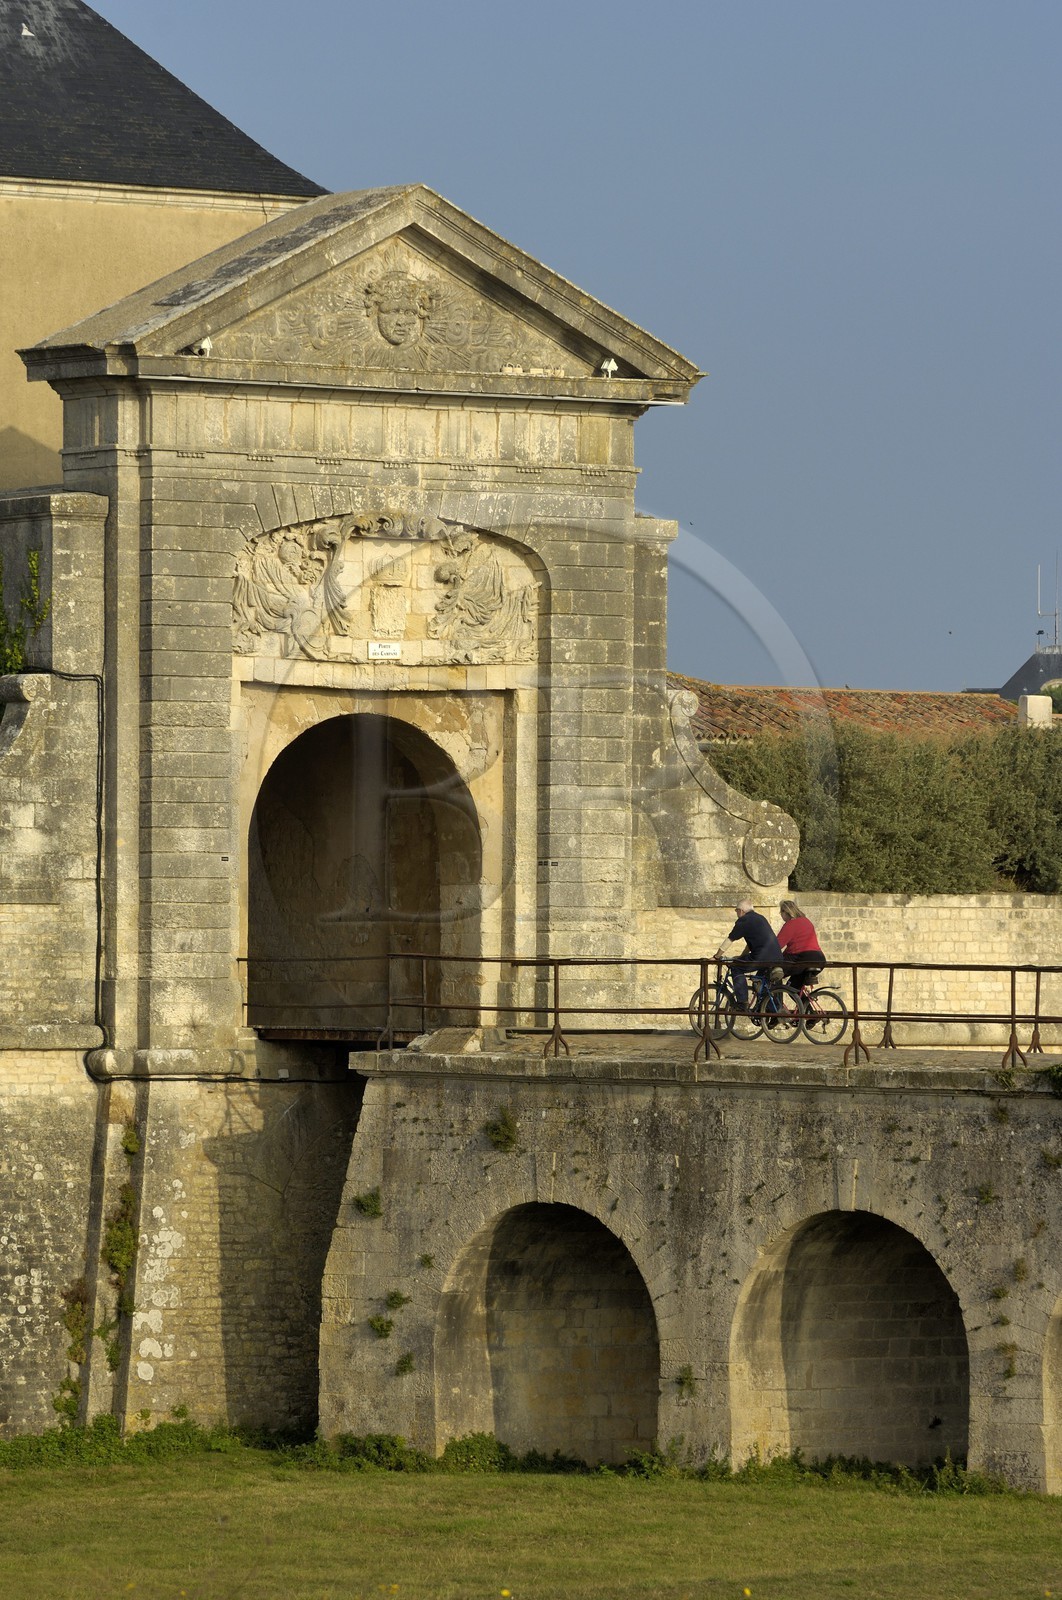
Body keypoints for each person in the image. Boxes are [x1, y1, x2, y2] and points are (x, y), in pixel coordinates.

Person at [713, 900, 784, 1009]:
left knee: (736, 967)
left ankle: (742, 1002)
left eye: (736, 911)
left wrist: (716, 956)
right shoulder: (760, 918)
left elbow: (730, 939)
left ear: (741, 911)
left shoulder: (744, 920)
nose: (737, 914)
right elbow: (751, 944)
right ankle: (770, 1009)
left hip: (761, 957)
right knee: (762, 982)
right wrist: (742, 957)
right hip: (777, 957)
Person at [776, 899, 826, 991]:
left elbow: (777, 945)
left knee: (774, 972)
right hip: (819, 958)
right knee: (793, 987)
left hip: (802, 958)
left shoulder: (790, 924)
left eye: (781, 912)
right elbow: (797, 945)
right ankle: (805, 1005)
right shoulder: (806, 921)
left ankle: (774, 1004)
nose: (781, 915)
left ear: (785, 912)